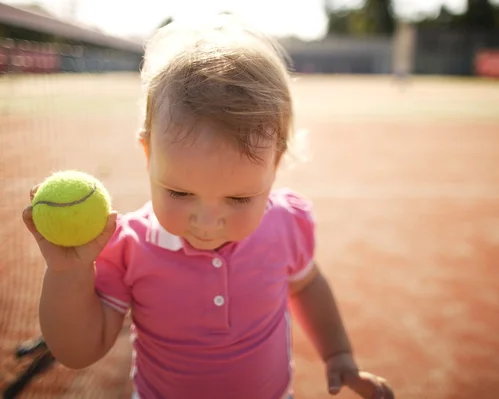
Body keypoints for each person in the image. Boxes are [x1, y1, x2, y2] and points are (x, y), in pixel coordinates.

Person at [22, 18, 395, 399]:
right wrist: (68, 273)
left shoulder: (284, 224)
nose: (206, 222)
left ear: (275, 164)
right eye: (180, 193)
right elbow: (78, 352)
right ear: (149, 153)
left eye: (238, 199)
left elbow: (307, 284)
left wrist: (338, 353)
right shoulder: (128, 246)